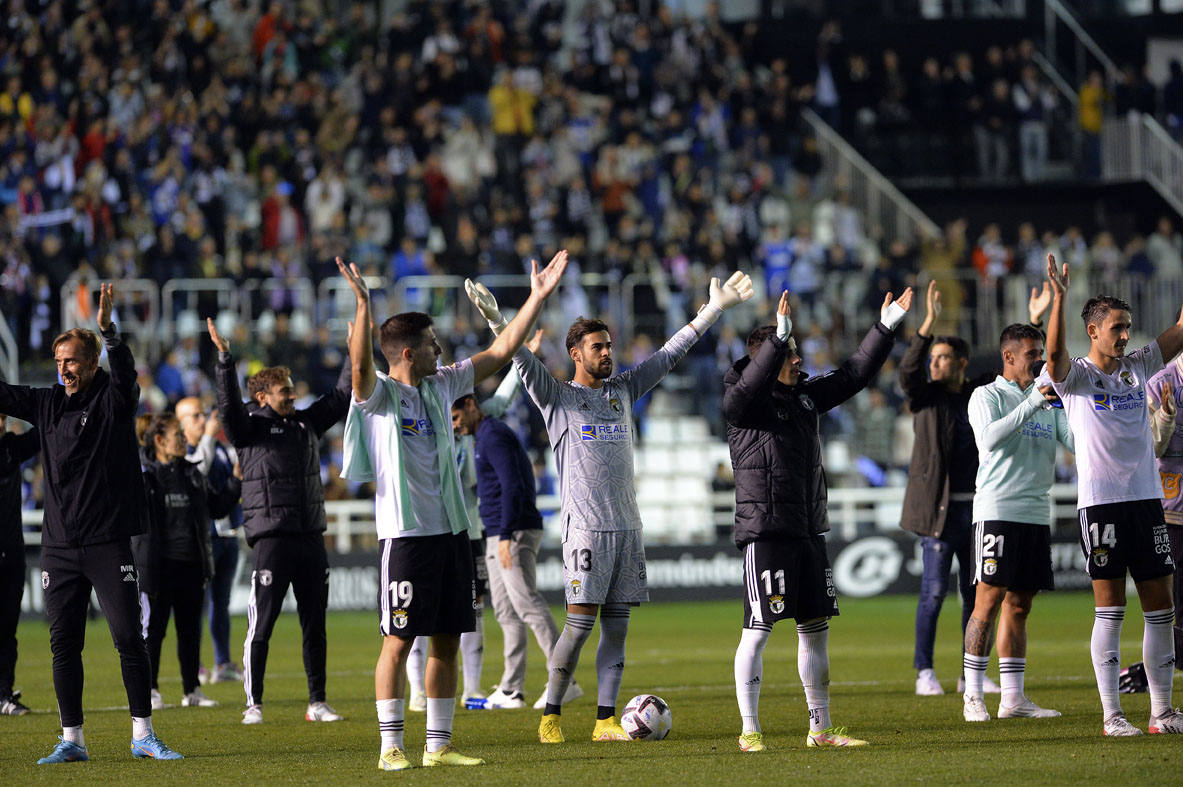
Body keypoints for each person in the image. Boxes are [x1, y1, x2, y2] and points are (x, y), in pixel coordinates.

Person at [471, 269, 754, 744]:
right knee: (579, 628)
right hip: (585, 532)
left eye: (609, 346)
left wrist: (714, 309)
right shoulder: (557, 397)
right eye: (597, 347)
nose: (607, 353)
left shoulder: (623, 391)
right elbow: (520, 360)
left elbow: (669, 353)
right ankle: (551, 717)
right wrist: (499, 321)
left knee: (617, 633)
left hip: (628, 530)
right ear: (575, 353)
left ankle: (605, 721)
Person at [338, 251, 567, 771]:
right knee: (398, 641)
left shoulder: (443, 385)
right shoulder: (381, 396)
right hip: (406, 536)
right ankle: (390, 747)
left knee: (447, 637)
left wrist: (538, 295)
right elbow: (357, 368)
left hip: (452, 534)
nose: (440, 349)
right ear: (406, 352)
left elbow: (503, 349)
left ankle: (437, 745)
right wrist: (362, 307)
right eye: (431, 344)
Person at [0, 283, 182, 762]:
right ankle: (71, 740)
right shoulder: (47, 404)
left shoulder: (111, 400)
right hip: (59, 548)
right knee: (63, 645)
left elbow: (127, 381)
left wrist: (109, 333)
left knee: (128, 638)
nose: (64, 370)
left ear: (92, 361)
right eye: (59, 362)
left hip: (107, 543)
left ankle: (143, 734)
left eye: (73, 361)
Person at [726, 288, 912, 752]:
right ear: (764, 360)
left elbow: (852, 376)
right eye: (789, 354)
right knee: (758, 629)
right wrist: (777, 340)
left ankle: (821, 729)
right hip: (767, 532)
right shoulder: (744, 404)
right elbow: (746, 391)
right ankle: (750, 731)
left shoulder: (804, 398)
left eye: (794, 352)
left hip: (809, 530)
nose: (798, 361)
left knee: (815, 631)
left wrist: (884, 327)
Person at [1044, 254, 1183, 736]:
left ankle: (1162, 713)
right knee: (1110, 608)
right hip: (1101, 506)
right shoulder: (1077, 376)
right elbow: (1053, 357)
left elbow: (1181, 329)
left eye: (1128, 327)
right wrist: (1059, 299)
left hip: (1148, 503)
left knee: (1160, 608)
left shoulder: (1138, 366)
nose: (1126, 336)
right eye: (1117, 329)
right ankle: (1112, 715)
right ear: (1094, 332)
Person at [207, 315, 351, 726]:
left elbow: (341, 397)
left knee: (314, 625)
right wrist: (223, 360)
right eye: (285, 389)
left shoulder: (305, 423)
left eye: (292, 387)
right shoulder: (248, 429)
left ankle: (317, 701)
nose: (293, 394)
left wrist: (353, 346)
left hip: (309, 535)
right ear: (264, 396)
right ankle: (253, 703)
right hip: (271, 539)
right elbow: (228, 407)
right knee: (262, 625)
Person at [451, 339, 582, 711]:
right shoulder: (482, 436)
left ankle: (565, 678)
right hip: (496, 533)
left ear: (471, 406)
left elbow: (513, 485)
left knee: (528, 605)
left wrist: (507, 536)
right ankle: (511, 688)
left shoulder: (492, 435)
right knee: (507, 612)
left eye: (457, 418)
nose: (456, 427)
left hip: (512, 532)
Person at [961, 323, 1073, 723]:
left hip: (1035, 512)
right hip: (997, 511)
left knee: (1020, 605)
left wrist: (1074, 403)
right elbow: (989, 440)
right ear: (1009, 357)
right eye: (1032, 353)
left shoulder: (1047, 399)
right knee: (987, 601)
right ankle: (972, 694)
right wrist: (1032, 404)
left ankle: (1013, 698)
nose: (1040, 360)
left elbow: (1074, 442)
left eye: (1042, 352)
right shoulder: (986, 396)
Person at [900, 281, 994, 696]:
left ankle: (970, 674)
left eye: (942, 358)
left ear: (961, 362)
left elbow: (1017, 370)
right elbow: (907, 372)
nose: (934, 365)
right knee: (934, 593)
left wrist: (1035, 322)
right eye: (932, 358)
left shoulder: (978, 394)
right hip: (937, 511)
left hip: (976, 509)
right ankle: (924, 671)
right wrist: (927, 326)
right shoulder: (925, 397)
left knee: (975, 597)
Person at [135, 413, 241, 710]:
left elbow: (217, 508)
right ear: (159, 441)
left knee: (189, 631)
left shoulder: (193, 474)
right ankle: (151, 691)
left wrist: (235, 482)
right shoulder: (144, 476)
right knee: (153, 632)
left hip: (190, 564)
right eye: (177, 435)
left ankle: (192, 691)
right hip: (157, 567)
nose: (183, 440)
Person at [174, 397, 245, 686]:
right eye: (196, 416)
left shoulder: (220, 449)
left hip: (227, 534)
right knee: (196, 606)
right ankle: (197, 666)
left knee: (221, 604)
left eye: (203, 415)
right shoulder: (185, 453)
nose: (204, 420)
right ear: (180, 424)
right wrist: (207, 439)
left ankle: (222, 663)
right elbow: (195, 474)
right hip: (201, 539)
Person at [0, 413, 38, 716]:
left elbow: (45, 429)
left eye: (1, 417)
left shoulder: (11, 447)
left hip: (12, 552)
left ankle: (4, 693)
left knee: (8, 628)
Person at [1149, 353, 1183, 669]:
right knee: (1175, 602)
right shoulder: (1161, 382)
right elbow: (1150, 447)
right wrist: (1166, 416)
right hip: (1174, 511)